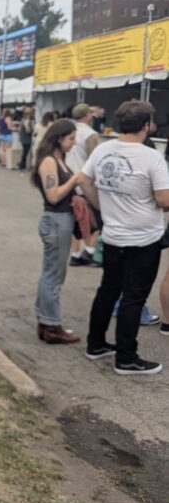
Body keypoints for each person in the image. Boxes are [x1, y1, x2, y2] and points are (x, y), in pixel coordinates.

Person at [79, 100, 169, 375]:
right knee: (133, 297)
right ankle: (126, 357)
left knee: (108, 290)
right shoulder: (151, 157)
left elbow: (84, 180)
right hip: (143, 240)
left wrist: (101, 208)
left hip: (113, 235)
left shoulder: (103, 149)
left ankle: (95, 344)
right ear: (146, 125)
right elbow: (164, 200)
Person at [31, 119, 84, 344]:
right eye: (71, 138)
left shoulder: (57, 159)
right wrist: (75, 179)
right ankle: (52, 324)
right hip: (56, 220)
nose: (74, 143)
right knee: (53, 275)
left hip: (60, 220)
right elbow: (53, 196)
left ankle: (47, 321)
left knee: (52, 273)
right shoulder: (49, 161)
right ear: (59, 138)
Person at [66, 103, 101, 266]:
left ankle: (76, 253)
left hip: (68, 179)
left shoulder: (68, 131)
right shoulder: (90, 134)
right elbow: (93, 159)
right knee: (96, 220)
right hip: (84, 181)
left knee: (76, 220)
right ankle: (90, 251)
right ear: (88, 116)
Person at [18, 106, 34, 172]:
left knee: (24, 152)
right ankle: (22, 166)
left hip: (23, 138)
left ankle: (21, 164)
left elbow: (20, 128)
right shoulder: (27, 121)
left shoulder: (23, 119)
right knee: (25, 153)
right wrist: (32, 130)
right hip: (26, 138)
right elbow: (28, 130)